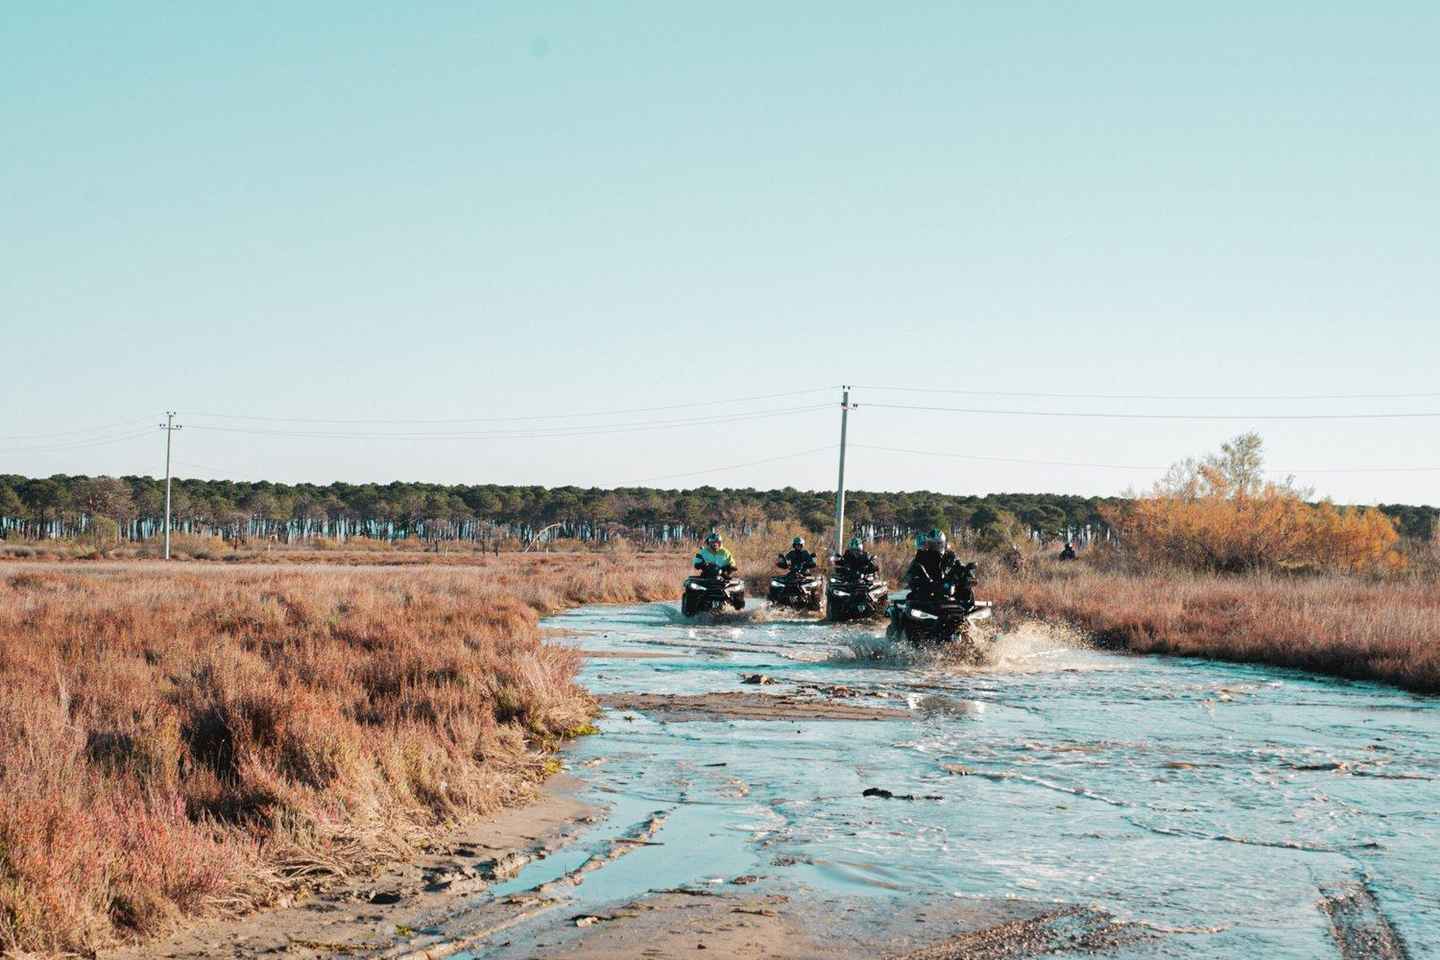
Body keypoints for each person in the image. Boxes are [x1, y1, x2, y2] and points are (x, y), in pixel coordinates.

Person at [907, 529, 959, 599]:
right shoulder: (923, 555)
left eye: (934, 544)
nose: (932, 547)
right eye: (930, 544)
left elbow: (956, 567)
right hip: (927, 588)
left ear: (941, 544)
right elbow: (912, 572)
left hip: (945, 587)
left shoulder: (950, 555)